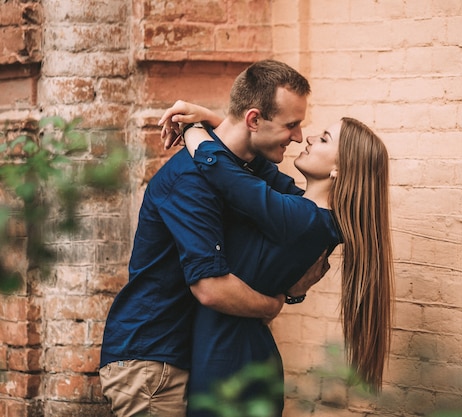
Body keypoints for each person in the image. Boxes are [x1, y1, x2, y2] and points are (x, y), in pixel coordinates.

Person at [98, 60, 326, 417]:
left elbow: (241, 163)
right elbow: (211, 288)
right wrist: (275, 303)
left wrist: (206, 122)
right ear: (253, 119)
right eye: (291, 125)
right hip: (153, 364)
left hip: (191, 356)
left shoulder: (236, 174)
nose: (298, 137)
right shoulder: (193, 180)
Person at [160, 101, 394, 416]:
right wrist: (219, 121)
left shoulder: (301, 219)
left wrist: (191, 127)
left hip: (231, 360)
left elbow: (221, 170)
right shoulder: (306, 213)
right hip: (235, 352)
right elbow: (261, 169)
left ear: (341, 168)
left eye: (324, 139)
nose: (308, 139)